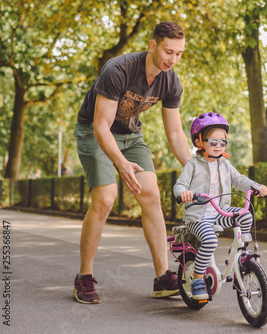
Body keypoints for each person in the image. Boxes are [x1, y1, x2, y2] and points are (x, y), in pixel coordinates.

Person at [73, 21, 192, 304]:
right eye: (168, 52)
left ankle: (163, 277)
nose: (172, 60)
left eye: (179, 54)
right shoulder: (119, 69)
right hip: (95, 131)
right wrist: (121, 163)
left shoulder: (171, 82)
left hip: (130, 135)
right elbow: (101, 126)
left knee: (151, 193)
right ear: (153, 45)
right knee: (105, 197)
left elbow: (175, 134)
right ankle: (84, 277)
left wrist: (195, 167)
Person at [173, 112, 267, 300]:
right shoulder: (193, 165)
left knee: (245, 215)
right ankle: (198, 278)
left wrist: (255, 186)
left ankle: (239, 251)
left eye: (223, 142)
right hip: (198, 215)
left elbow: (239, 179)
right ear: (199, 142)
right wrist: (183, 193)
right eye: (213, 142)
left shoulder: (225, 163)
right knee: (209, 241)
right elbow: (180, 185)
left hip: (219, 212)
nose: (219, 146)